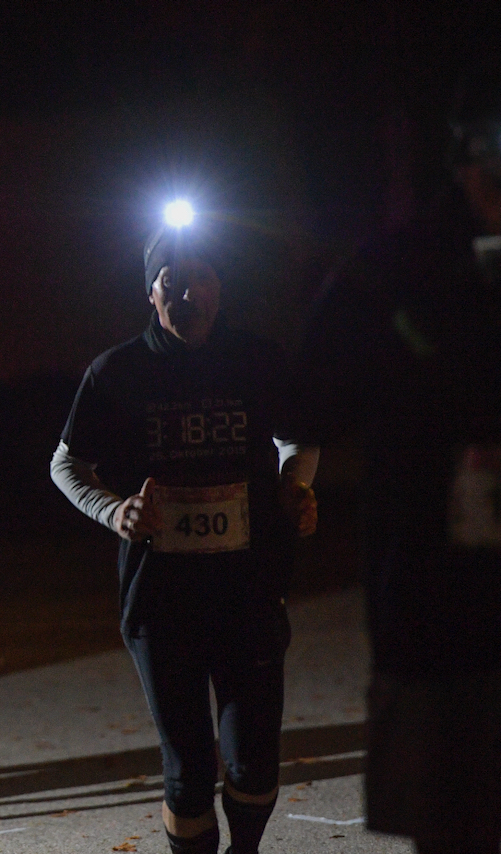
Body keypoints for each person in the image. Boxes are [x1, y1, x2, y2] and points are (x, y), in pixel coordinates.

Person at [50, 209, 318, 854]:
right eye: (170, 281)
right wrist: (114, 511)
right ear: (150, 290)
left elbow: (298, 437)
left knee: (252, 760)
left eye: (199, 279)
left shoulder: (259, 360)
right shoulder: (115, 373)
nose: (186, 294)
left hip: (250, 589)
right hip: (161, 599)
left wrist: (294, 484)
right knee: (190, 771)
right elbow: (65, 464)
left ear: (219, 287)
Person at [293, 64, 501, 854]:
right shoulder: (391, 273)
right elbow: (308, 404)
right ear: (468, 156)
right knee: (454, 827)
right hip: (435, 617)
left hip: (435, 607)